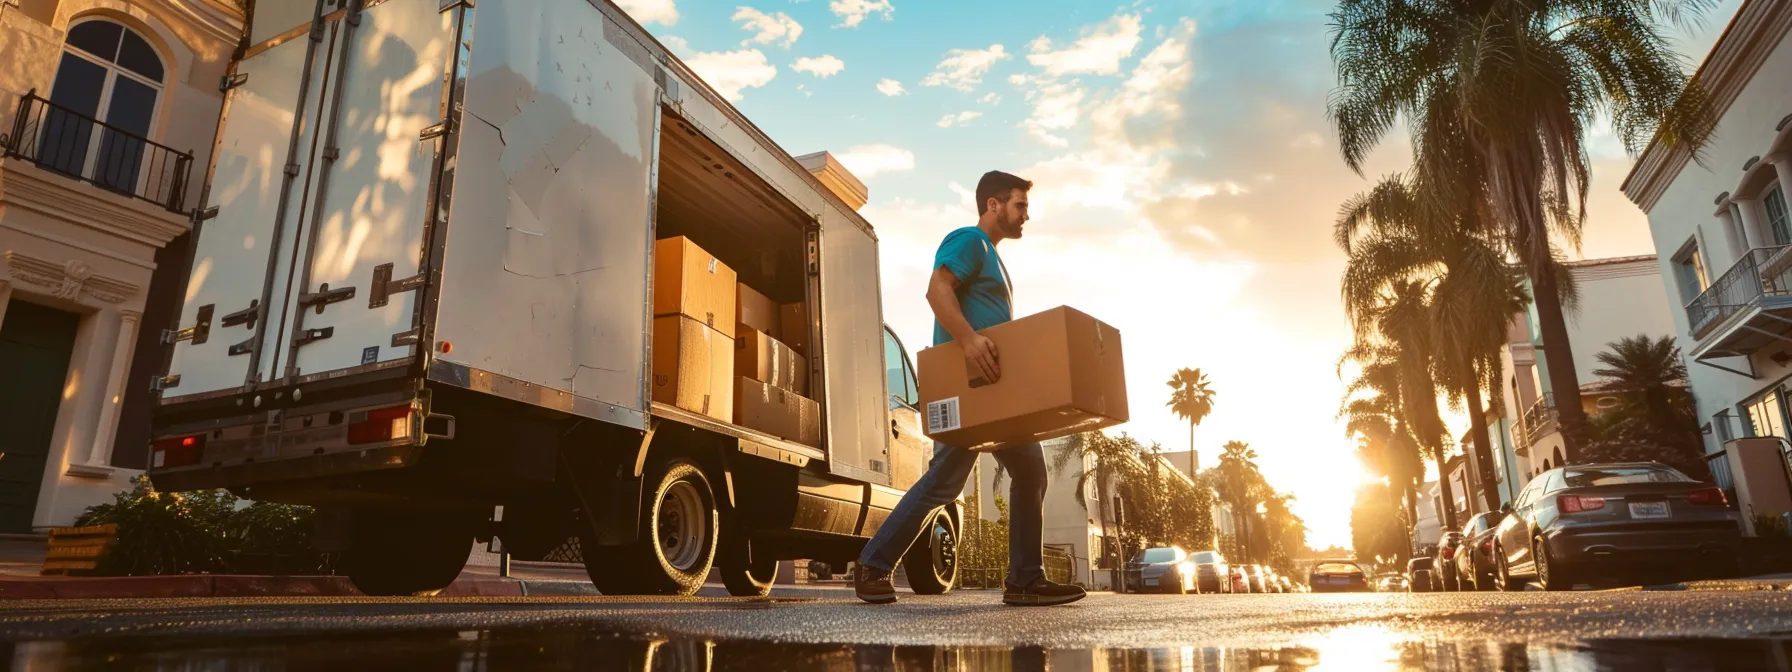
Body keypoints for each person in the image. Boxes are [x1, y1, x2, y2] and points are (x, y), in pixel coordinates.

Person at [853, 171, 1087, 607]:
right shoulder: (969, 241)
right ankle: (873, 566)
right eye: (1020, 206)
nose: (1026, 216)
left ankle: (1024, 580)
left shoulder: (996, 260)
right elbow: (937, 289)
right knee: (945, 480)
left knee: (1031, 471)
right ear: (994, 205)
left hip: (995, 389)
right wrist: (968, 340)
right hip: (968, 385)